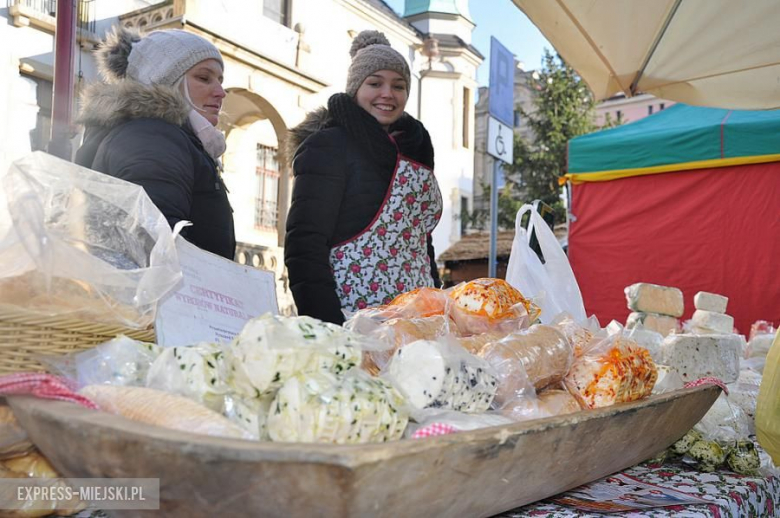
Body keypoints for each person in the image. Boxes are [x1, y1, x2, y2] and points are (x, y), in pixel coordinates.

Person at [285, 30, 442, 325]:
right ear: (355, 88)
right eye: (375, 83)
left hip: (418, 321)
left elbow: (421, 239)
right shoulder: (328, 145)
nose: (387, 94)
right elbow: (305, 243)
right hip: (353, 319)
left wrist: (437, 299)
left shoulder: (417, 149)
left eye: (398, 86)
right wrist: (328, 325)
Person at [75, 27, 236, 259]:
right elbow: (156, 246)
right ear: (165, 78)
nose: (221, 92)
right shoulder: (153, 136)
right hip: (174, 293)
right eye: (204, 78)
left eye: (220, 81)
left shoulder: (164, 135)